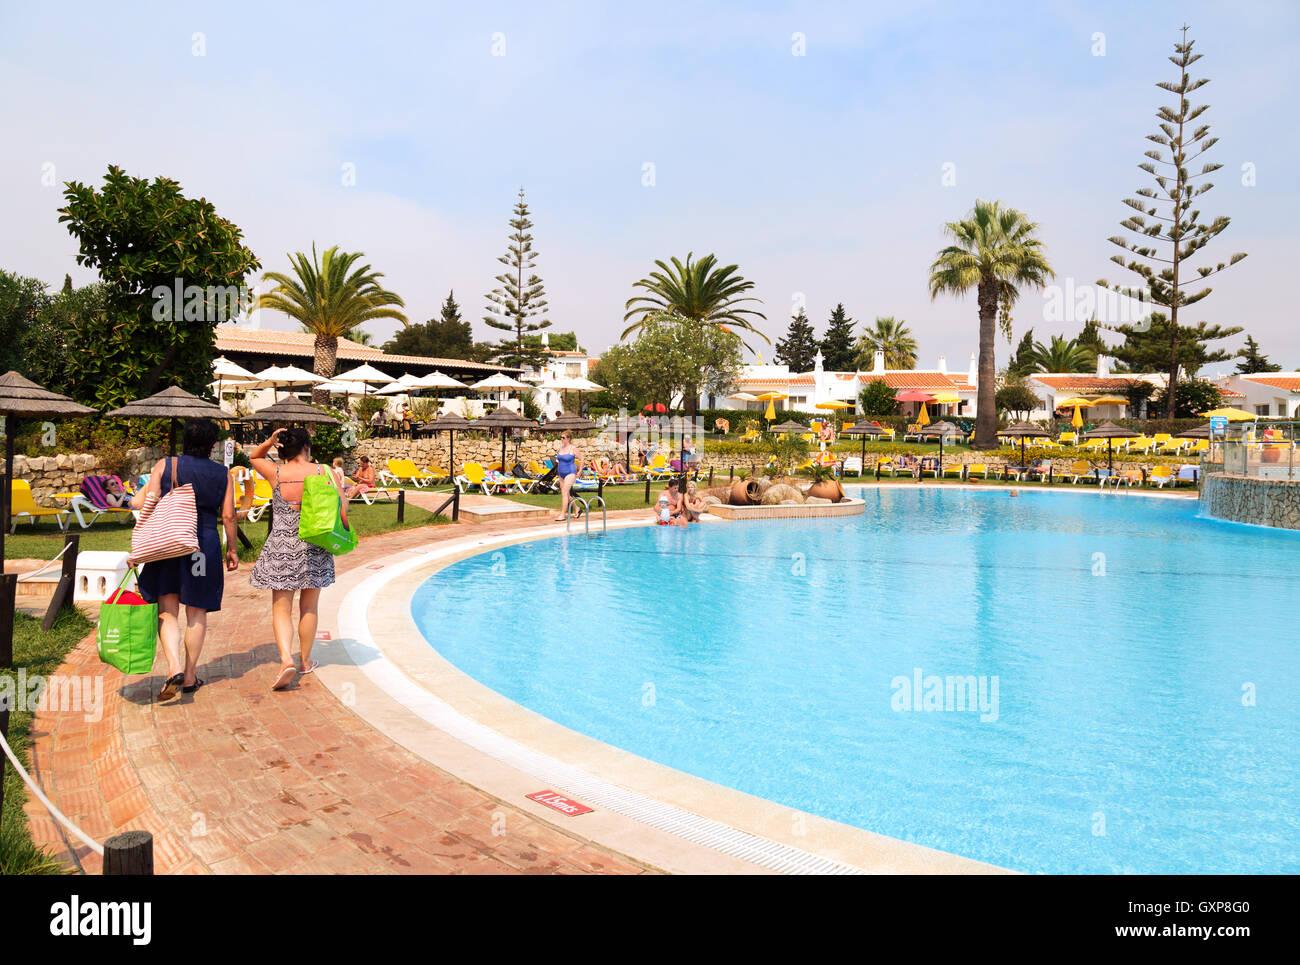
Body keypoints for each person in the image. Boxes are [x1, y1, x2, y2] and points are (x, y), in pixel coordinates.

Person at [129, 419, 238, 701]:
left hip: (170, 542)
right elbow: (228, 516)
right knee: (197, 610)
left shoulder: (167, 465)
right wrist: (232, 550)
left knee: (168, 607)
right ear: (213, 445)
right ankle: (189, 677)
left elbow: (147, 502)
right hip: (202, 547)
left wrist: (140, 541)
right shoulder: (223, 473)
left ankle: (174, 668)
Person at [249, 427, 348, 691]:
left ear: (282, 448)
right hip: (315, 544)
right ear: (306, 446)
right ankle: (305, 661)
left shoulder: (276, 473)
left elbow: (254, 457)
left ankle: (285, 660)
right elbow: (343, 508)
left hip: (281, 546)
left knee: (281, 607)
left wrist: (269, 442)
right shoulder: (324, 471)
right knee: (309, 607)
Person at [553, 430, 581, 521]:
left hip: (570, 472)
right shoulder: (560, 448)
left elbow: (582, 459)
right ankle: (577, 509)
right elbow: (559, 461)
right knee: (566, 494)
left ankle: (562, 515)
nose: (562, 439)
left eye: (563, 437)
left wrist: (579, 471)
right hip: (561, 473)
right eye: (561, 437)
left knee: (564, 493)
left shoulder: (573, 449)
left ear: (568, 439)